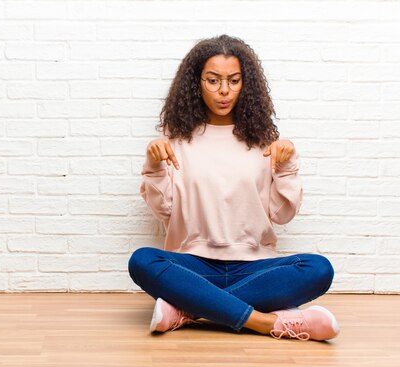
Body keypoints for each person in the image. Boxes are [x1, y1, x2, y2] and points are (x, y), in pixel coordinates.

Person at [128, 35, 339, 341]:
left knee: (318, 268)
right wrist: (154, 165)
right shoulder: (175, 142)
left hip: (255, 267)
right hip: (194, 264)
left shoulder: (265, 142)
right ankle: (265, 323)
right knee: (143, 261)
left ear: (246, 84)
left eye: (234, 80)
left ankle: (190, 309)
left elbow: (282, 215)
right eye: (213, 80)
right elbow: (164, 210)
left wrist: (288, 166)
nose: (224, 90)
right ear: (197, 83)